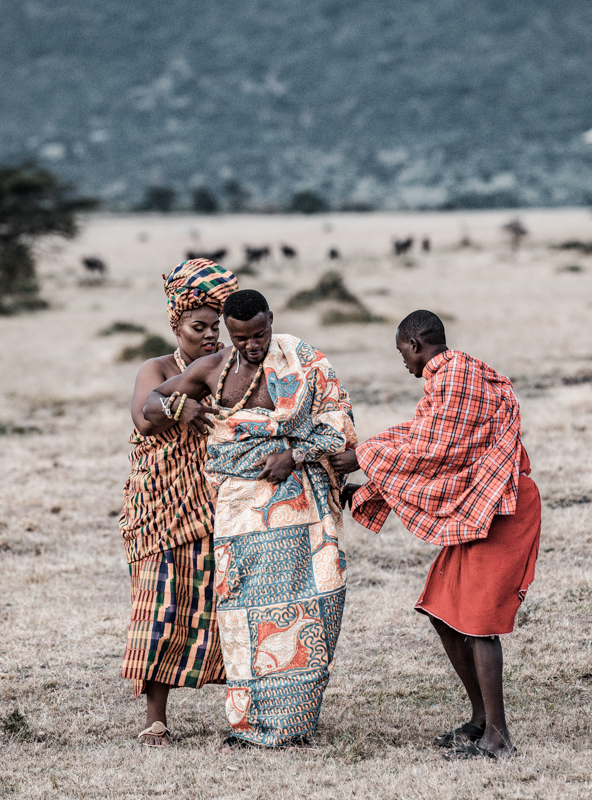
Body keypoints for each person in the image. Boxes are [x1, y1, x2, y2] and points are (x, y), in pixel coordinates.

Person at [145, 289, 356, 748]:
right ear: (230, 333)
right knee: (243, 613)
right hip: (238, 508)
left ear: (271, 322)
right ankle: (249, 724)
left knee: (314, 605)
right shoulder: (213, 367)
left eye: (260, 334)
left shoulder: (303, 358)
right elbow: (150, 405)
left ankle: (293, 722)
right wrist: (182, 407)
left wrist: (294, 455)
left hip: (300, 502)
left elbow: (338, 420)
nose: (253, 345)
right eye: (242, 338)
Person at [331, 310, 541, 760]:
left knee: (479, 624)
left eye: (401, 353)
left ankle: (498, 738)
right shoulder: (448, 378)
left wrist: (364, 457)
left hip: (502, 504)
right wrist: (367, 477)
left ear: (414, 345)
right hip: (481, 506)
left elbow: (431, 450)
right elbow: (426, 441)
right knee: (443, 612)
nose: (402, 363)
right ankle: (481, 718)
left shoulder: (455, 376)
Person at [119, 258, 238, 747]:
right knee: (160, 606)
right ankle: (156, 719)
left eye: (216, 326)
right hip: (161, 508)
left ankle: (247, 711)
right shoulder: (158, 369)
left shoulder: (231, 364)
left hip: (217, 505)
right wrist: (176, 405)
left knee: (227, 607)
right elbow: (144, 418)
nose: (210, 336)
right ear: (176, 324)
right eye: (198, 327)